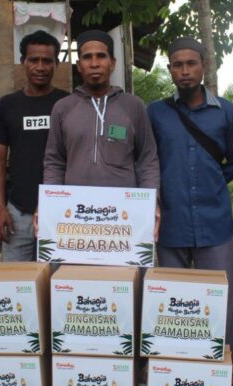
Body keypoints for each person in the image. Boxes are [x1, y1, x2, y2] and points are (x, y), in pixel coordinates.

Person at [146, 37, 233, 386]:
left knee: (219, 301)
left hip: (213, 222)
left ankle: (227, 373)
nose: (184, 71)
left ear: (204, 66)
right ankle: (179, 373)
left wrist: (210, 184)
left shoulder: (227, 113)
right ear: (169, 69)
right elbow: (148, 160)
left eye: (191, 63)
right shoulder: (155, 113)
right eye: (177, 64)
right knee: (174, 303)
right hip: (170, 224)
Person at [42, 29, 160, 236]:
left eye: (101, 56)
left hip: (124, 215)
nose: (94, 63)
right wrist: (51, 205)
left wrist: (151, 202)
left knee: (123, 261)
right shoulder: (63, 108)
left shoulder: (133, 106)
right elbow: (54, 161)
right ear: (79, 65)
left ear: (112, 63)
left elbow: (147, 160)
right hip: (75, 214)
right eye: (87, 57)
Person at [0, 30, 69, 261]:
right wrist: (1, 209)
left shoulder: (68, 104)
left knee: (58, 280)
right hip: (18, 213)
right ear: (23, 61)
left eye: (47, 61)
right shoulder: (6, 106)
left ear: (56, 63)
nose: (40, 67)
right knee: (17, 280)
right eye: (34, 60)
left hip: (61, 212)